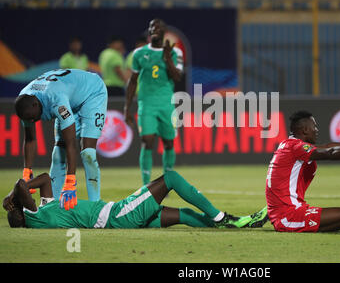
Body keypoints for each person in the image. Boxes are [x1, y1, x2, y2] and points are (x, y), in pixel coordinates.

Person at [3, 171, 268, 229]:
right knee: (171, 178)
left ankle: (233, 224)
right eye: (18, 208)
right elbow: (20, 185)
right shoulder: (36, 217)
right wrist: (11, 197)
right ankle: (221, 216)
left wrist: (18, 199)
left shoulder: (45, 208)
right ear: (23, 211)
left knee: (183, 216)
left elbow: (47, 178)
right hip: (117, 214)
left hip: (117, 216)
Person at [14, 69, 107, 210]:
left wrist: (71, 181)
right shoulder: (24, 104)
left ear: (36, 104)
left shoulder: (56, 100)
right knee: (58, 155)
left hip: (92, 93)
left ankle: (96, 206)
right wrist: (27, 172)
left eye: (33, 118)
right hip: (71, 96)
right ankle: (52, 207)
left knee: (88, 152)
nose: (32, 121)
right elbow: (30, 139)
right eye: (28, 120)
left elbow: (71, 144)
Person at [124, 19, 184, 185]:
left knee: (168, 143)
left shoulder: (175, 53)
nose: (154, 29)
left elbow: (177, 77)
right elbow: (133, 81)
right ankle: (146, 185)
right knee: (147, 140)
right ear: (149, 32)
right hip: (147, 103)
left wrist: (167, 59)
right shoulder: (139, 54)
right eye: (151, 27)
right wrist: (126, 107)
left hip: (166, 103)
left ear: (164, 31)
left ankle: (168, 180)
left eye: (158, 27)